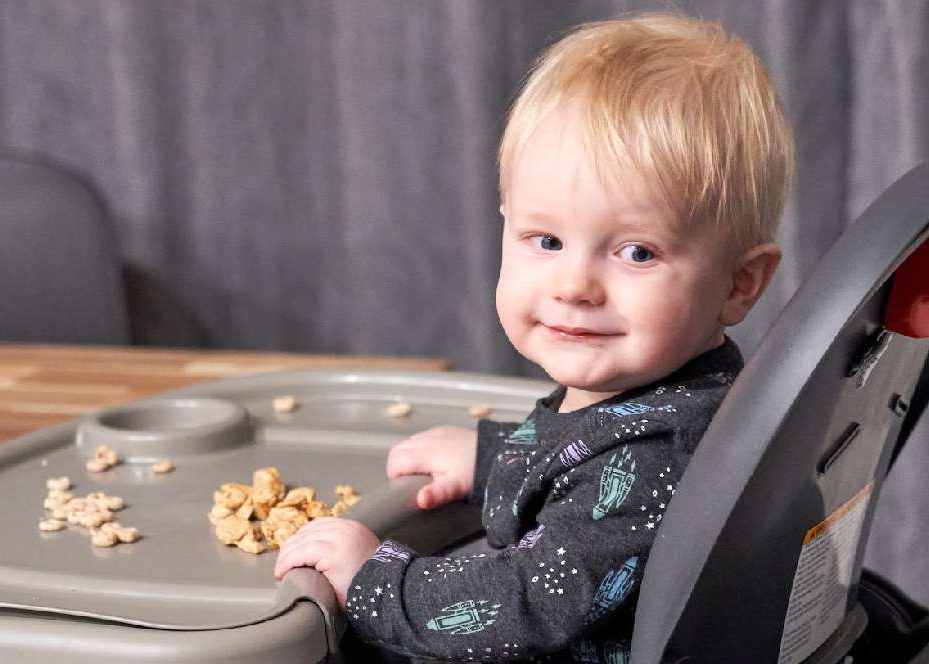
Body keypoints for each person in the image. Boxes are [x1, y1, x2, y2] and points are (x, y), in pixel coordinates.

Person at [274, 12, 793, 662]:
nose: (574, 285)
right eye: (545, 241)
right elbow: (583, 458)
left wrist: (374, 579)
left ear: (739, 284)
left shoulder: (663, 455)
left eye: (636, 253)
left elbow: (525, 602)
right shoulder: (676, 393)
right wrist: (497, 459)